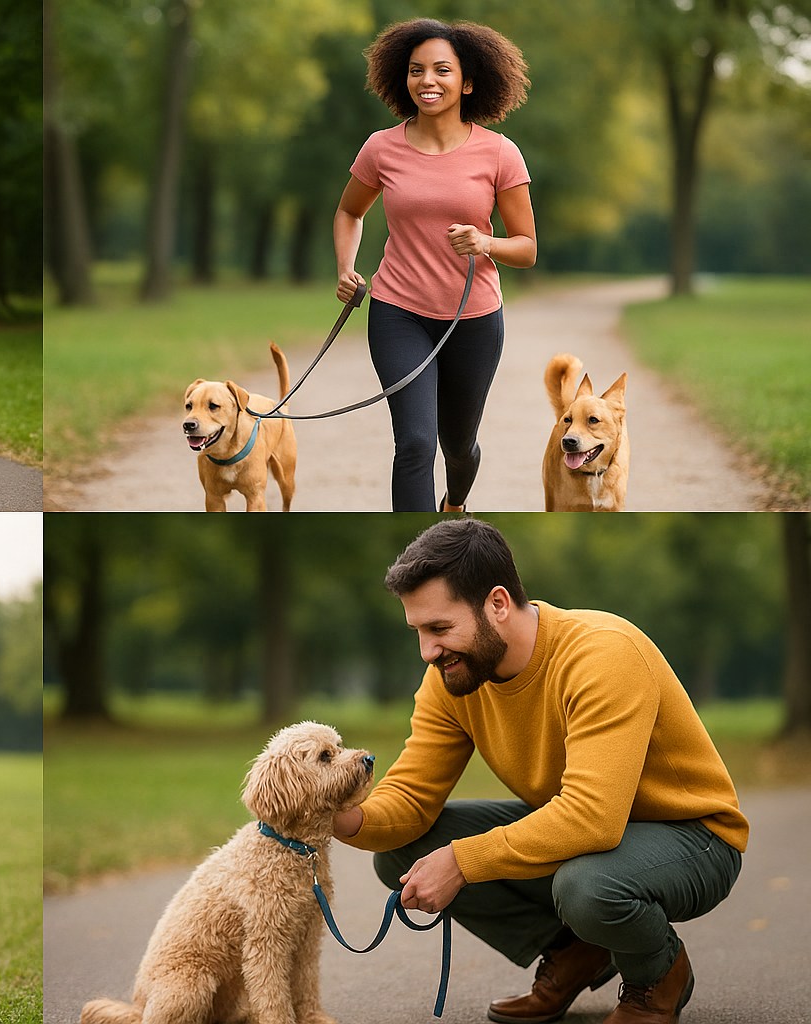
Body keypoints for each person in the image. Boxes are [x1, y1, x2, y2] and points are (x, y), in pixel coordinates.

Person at [333, 519, 747, 1024]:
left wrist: (464, 861)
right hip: (592, 839)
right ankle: (579, 952)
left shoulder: (602, 655)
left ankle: (657, 977)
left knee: (587, 886)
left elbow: (593, 818)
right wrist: (337, 819)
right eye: (419, 631)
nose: (427, 651)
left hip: (694, 837)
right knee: (402, 852)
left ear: (498, 604)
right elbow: (412, 797)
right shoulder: (454, 676)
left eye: (440, 628)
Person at [333, 19, 538, 512]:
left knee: (458, 447)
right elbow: (349, 211)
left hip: (474, 320)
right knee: (416, 444)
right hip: (397, 311)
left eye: (442, 70)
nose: (427, 80)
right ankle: (423, 546)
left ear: (468, 82)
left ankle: (455, 505)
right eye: (416, 70)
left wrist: (485, 242)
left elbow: (527, 248)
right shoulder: (382, 147)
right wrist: (346, 266)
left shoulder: (500, 153)